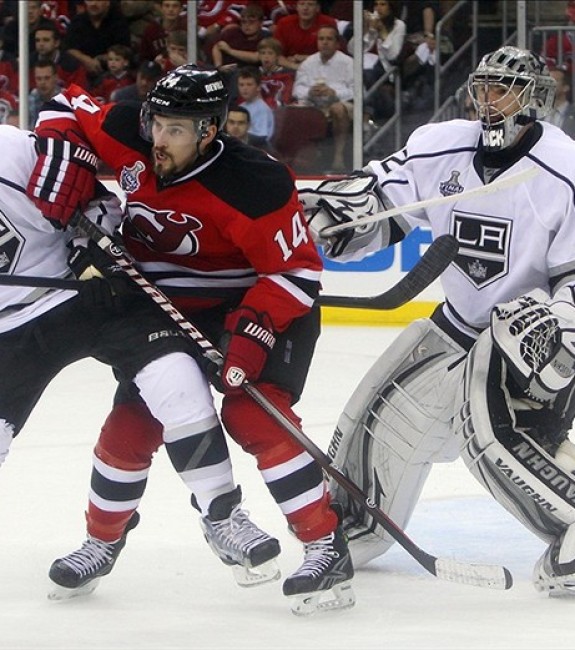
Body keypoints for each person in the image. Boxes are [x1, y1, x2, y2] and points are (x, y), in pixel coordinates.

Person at [26, 64, 355, 615]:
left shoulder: (256, 182)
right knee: (133, 422)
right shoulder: (132, 130)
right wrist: (66, 157)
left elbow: (296, 274)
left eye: (176, 129)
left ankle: (325, 544)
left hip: (256, 308)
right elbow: (63, 105)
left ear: (210, 130)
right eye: (157, 123)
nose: (158, 139)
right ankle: (102, 541)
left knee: (254, 415)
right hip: (165, 311)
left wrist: (249, 338)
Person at [299, 46, 575, 596]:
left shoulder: (565, 171)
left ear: (533, 100)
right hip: (455, 324)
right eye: (484, 87)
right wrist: (342, 217)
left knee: (491, 438)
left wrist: (562, 325)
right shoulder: (441, 145)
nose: (489, 100)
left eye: (504, 88)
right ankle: (359, 524)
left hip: (524, 341)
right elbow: (382, 203)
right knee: (378, 420)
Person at [0, 122, 275, 604]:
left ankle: (222, 513)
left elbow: (94, 194)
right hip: (13, 331)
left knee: (176, 380)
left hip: (90, 290)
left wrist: (97, 238)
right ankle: (100, 541)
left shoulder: (9, 150)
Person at [292, 24, 353, 171]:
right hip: (314, 104)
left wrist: (334, 93)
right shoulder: (308, 63)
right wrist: (309, 92)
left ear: (337, 43)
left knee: (337, 109)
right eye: (321, 39)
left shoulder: (348, 62)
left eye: (329, 39)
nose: (324, 42)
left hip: (343, 103)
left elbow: (357, 91)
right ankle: (300, 160)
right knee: (292, 110)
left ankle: (338, 157)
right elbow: (297, 90)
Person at [63, 0, 131, 87]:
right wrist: (86, 60)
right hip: (81, 72)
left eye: (98, 0)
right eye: (90, 0)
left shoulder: (119, 21)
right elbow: (69, 48)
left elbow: (125, 50)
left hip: (111, 73)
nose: (93, 4)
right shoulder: (78, 21)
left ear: (107, 3)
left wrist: (102, 58)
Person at [274, 0, 337, 71]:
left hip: (321, 67)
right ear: (296, 7)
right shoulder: (284, 23)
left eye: (310, 4)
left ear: (318, 8)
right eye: (301, 4)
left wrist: (307, 58)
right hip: (290, 68)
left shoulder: (328, 23)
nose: (305, 8)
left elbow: (333, 54)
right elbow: (275, 55)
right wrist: (294, 66)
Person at [30, 23, 88, 90]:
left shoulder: (72, 65)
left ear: (56, 43)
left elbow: (78, 94)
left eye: (46, 40)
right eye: (37, 40)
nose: (41, 44)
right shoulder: (27, 64)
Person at [236, 65, 275, 145]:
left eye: (249, 84)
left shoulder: (262, 109)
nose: (245, 88)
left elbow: (261, 137)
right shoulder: (240, 107)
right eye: (241, 85)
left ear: (258, 87)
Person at [28, 61, 61, 129]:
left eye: (47, 78)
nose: (42, 82)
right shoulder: (29, 101)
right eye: (39, 79)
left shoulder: (64, 99)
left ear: (56, 78)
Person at [545, 65, 575, 138]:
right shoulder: (537, 113)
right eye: (547, 81)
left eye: (553, 81)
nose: (548, 84)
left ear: (565, 88)